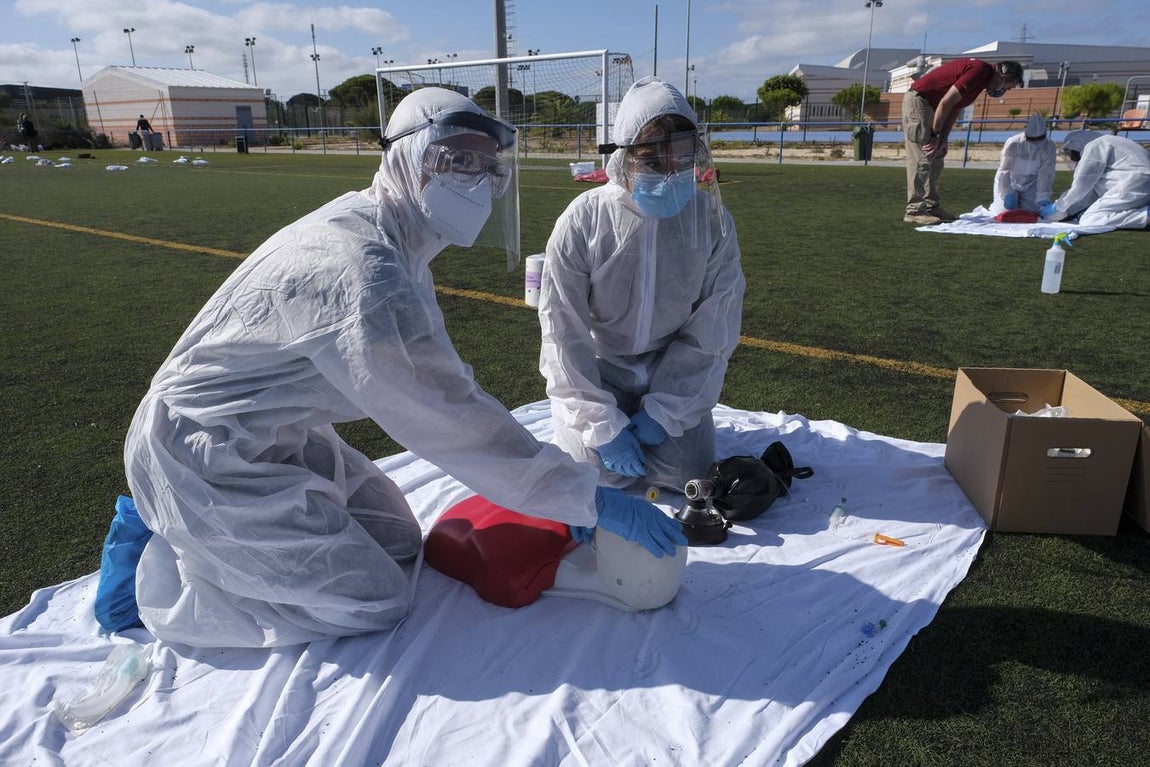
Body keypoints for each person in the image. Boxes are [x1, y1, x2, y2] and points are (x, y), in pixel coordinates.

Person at [108, 87, 685, 648]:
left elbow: (441, 382)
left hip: (273, 435)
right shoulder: (361, 270)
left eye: (486, 166)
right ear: (407, 157)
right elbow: (448, 416)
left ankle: (205, 531)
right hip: (201, 450)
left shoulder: (398, 245)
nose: (475, 179)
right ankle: (157, 561)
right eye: (457, 159)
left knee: (402, 544)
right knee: (372, 600)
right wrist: (584, 496)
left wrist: (561, 495)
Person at [538, 76, 745, 496]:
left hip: (670, 368)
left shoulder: (711, 220)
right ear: (623, 158)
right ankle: (590, 420)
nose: (670, 175)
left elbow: (713, 328)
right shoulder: (583, 220)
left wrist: (668, 409)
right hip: (601, 369)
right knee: (598, 478)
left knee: (683, 478)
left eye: (682, 161)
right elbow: (563, 331)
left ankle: (660, 417)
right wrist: (600, 422)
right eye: (652, 163)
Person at [902, 59, 1023, 225]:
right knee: (923, 155)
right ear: (1003, 76)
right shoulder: (979, 71)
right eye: (1007, 86)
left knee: (936, 157)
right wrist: (935, 136)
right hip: (921, 101)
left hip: (934, 106)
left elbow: (955, 108)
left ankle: (931, 206)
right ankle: (914, 210)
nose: (1003, 91)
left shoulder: (980, 83)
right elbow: (946, 102)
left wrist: (943, 139)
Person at [1040, 130, 1150, 229]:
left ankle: (1145, 215)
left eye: (1071, 152)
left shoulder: (1094, 146)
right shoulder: (1111, 141)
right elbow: (1091, 193)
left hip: (1132, 185)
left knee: (1090, 219)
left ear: (1077, 144)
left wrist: (1058, 207)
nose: (1073, 158)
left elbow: (1081, 187)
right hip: (1140, 186)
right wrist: (1066, 211)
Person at [990, 112, 1055, 214]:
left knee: (1031, 212)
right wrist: (1007, 192)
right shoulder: (1014, 143)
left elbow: (1046, 172)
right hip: (1011, 180)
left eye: (1039, 139)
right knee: (1004, 212)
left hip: (1032, 183)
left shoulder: (1048, 146)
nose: (1036, 143)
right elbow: (1005, 170)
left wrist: (1043, 195)